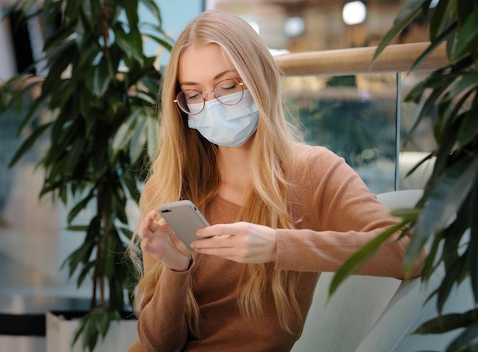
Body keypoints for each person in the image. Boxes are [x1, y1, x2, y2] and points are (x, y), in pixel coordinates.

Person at [127, 10, 422, 352]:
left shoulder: (313, 173)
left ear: (260, 80)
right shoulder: (169, 188)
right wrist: (176, 269)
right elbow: (158, 345)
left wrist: (279, 246)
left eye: (227, 85)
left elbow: (412, 254)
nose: (214, 105)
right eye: (194, 94)